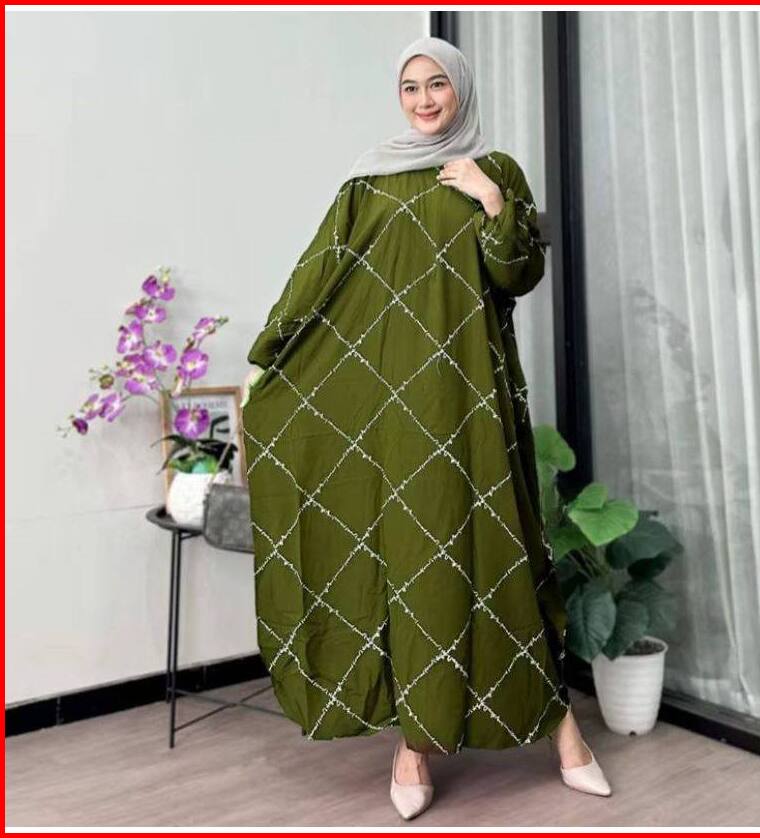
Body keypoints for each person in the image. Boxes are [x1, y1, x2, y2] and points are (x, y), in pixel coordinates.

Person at [241, 35, 611, 820]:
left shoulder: (495, 169)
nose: (423, 100)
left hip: (474, 399)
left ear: (460, 90)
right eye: (410, 87)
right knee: (413, 558)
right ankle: (414, 747)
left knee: (500, 556)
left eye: (437, 84)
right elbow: (319, 271)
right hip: (394, 410)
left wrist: (492, 202)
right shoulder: (367, 183)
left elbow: (518, 274)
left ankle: (564, 734)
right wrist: (268, 356)